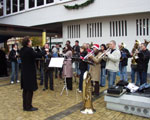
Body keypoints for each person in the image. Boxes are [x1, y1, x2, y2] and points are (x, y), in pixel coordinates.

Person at [20, 37, 42, 111]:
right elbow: (37, 55)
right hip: (29, 72)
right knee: (30, 90)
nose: (31, 42)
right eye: (30, 41)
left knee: (25, 90)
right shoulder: (29, 50)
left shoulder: (22, 50)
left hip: (24, 72)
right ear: (28, 42)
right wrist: (45, 51)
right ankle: (28, 107)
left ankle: (25, 106)